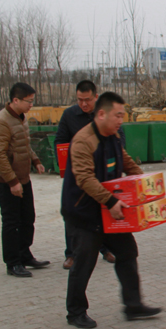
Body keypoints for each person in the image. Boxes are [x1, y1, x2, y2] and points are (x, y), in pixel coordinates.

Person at [62, 92, 161, 329]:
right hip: (84, 213)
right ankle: (75, 312)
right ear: (101, 114)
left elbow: (126, 162)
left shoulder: (113, 136)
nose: (121, 120)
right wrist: (110, 201)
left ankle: (133, 306)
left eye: (122, 115)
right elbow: (85, 178)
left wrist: (144, 182)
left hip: (109, 210)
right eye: (117, 115)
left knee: (127, 252)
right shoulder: (83, 141)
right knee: (84, 263)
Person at [56, 80, 124, 269]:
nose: (84, 104)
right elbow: (60, 141)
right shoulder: (70, 116)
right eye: (80, 100)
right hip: (80, 176)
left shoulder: (107, 115)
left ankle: (106, 249)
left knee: (104, 214)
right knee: (79, 221)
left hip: (104, 175)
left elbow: (120, 143)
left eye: (87, 100)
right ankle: (71, 254)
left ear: (96, 97)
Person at [0, 82, 50, 277]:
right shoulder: (1, 121)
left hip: (23, 178)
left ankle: (25, 255)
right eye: (29, 101)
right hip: (7, 181)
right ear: (15, 100)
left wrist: (36, 160)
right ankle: (12, 262)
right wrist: (12, 182)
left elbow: (24, 145)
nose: (31, 105)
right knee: (11, 221)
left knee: (28, 218)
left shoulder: (21, 118)